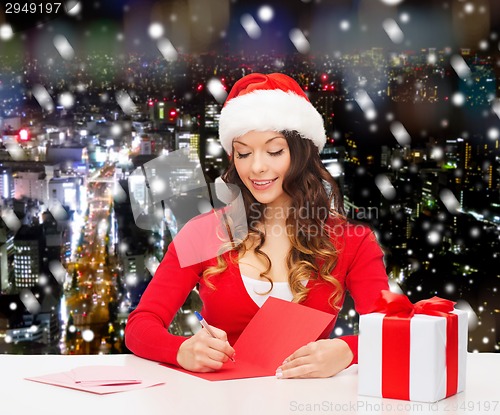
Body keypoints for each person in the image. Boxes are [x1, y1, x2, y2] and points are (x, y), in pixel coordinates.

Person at [125, 73, 389, 378]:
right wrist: (181, 349)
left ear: (301, 153)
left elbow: (394, 330)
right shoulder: (203, 233)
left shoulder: (352, 242)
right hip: (222, 403)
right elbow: (140, 326)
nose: (256, 167)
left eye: (274, 151)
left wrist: (348, 351)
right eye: (244, 153)